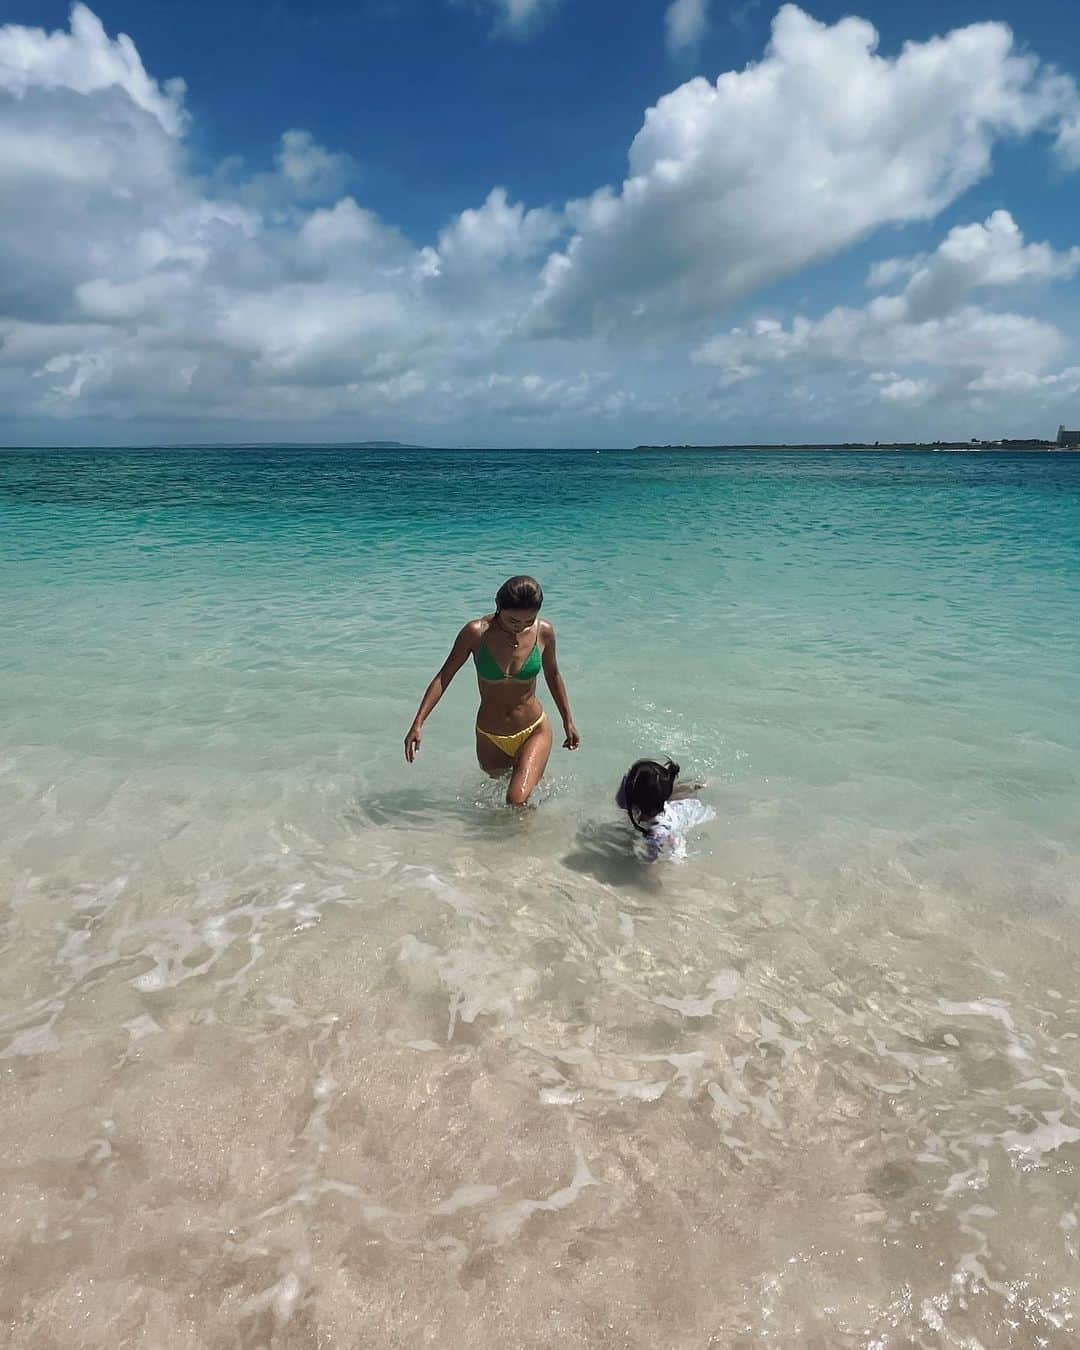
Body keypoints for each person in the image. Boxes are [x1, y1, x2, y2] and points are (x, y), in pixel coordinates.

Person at [404, 575, 580, 806]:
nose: (520, 627)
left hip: (534, 728)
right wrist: (418, 722)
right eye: (513, 620)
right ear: (498, 604)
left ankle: (527, 838)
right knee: (500, 800)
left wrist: (568, 720)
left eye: (528, 621)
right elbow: (444, 676)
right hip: (490, 736)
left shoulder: (544, 632)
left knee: (515, 800)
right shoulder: (475, 633)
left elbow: (553, 675)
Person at [616, 758, 715, 863]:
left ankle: (703, 784)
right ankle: (698, 785)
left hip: (691, 813)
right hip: (677, 806)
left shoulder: (658, 831)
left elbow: (654, 857)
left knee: (676, 853)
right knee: (681, 793)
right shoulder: (649, 804)